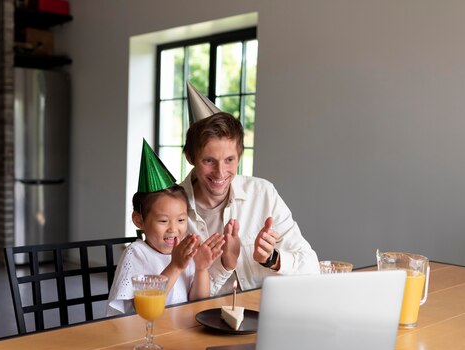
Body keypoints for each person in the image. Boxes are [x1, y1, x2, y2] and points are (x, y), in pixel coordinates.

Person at [181, 82, 319, 296]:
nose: (220, 172)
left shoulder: (262, 193)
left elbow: (311, 266)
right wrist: (224, 265)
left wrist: (271, 258)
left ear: (239, 157)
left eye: (229, 160)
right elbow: (173, 294)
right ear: (191, 157)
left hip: (262, 316)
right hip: (202, 321)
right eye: (209, 160)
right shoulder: (171, 209)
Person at [107, 140, 224, 316]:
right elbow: (141, 310)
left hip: (176, 332)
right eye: (163, 221)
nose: (173, 229)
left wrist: (201, 269)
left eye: (181, 220)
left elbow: (199, 303)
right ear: (139, 221)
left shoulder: (186, 251)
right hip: (141, 334)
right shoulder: (136, 253)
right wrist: (176, 266)